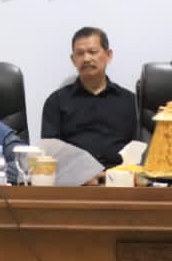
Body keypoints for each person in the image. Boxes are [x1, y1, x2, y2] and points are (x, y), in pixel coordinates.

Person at [40, 27, 142, 171]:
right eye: (80, 53)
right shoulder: (56, 101)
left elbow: (139, 150)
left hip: (121, 178)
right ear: (73, 59)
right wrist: (81, 176)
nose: (86, 58)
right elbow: (51, 153)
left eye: (93, 52)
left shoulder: (130, 102)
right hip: (74, 180)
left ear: (108, 55)